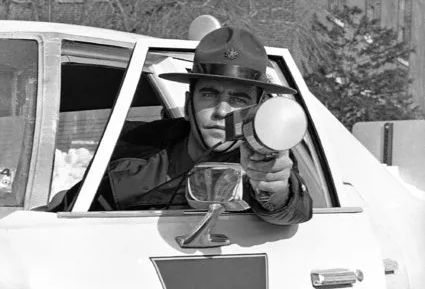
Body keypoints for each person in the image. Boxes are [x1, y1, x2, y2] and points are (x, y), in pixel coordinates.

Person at [49, 26, 312, 224]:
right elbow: (68, 216)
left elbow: (290, 210)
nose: (222, 111)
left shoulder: (264, 158)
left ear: (258, 110)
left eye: (239, 99)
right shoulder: (136, 147)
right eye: (209, 94)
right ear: (188, 104)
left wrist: (272, 188)